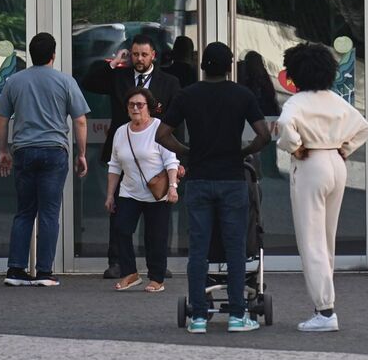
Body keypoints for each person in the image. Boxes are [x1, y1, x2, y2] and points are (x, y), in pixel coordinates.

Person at [156, 42, 270, 334]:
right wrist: (243, 152)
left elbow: (162, 134)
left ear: (202, 65)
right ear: (230, 65)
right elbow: (264, 135)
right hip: (232, 179)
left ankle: (198, 316)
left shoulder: (187, 95)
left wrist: (187, 151)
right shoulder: (242, 95)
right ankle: (236, 315)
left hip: (199, 179)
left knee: (199, 249)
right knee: (234, 249)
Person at [276, 42, 368, 333]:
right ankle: (324, 306)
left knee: (311, 239)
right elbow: (363, 126)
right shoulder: (335, 99)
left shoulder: (296, 102)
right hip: (335, 161)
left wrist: (295, 147)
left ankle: (325, 309)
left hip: (311, 164)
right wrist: (346, 147)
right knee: (327, 238)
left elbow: (284, 126)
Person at [82, 34, 181, 279]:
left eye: (144, 55)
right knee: (120, 211)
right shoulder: (119, 76)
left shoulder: (169, 83)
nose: (139, 59)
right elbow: (89, 81)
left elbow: (178, 121)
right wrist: (114, 62)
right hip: (123, 152)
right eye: (135, 54)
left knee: (157, 211)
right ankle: (117, 261)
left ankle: (157, 264)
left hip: (156, 155)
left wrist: (179, 160)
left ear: (153, 56)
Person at [0, 33, 90, 287]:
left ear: (30, 54)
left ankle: (15, 269)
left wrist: (3, 150)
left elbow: (2, 119)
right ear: (53, 55)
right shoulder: (65, 81)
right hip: (53, 150)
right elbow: (80, 119)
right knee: (49, 212)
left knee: (25, 211)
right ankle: (44, 272)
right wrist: (81, 153)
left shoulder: (14, 81)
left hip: (24, 151)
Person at [105, 87, 180, 293]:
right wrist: (110, 194)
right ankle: (130, 273)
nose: (135, 108)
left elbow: (171, 160)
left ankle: (156, 278)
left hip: (156, 193)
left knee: (155, 236)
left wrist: (172, 187)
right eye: (131, 105)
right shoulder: (121, 132)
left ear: (149, 107)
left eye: (140, 104)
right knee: (121, 229)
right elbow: (114, 165)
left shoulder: (159, 128)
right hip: (128, 191)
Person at [240, 51, 282, 178]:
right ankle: (268, 169)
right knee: (268, 146)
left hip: (254, 117)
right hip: (267, 114)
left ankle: (257, 169)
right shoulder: (262, 76)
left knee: (254, 143)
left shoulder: (244, 77)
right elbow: (271, 96)